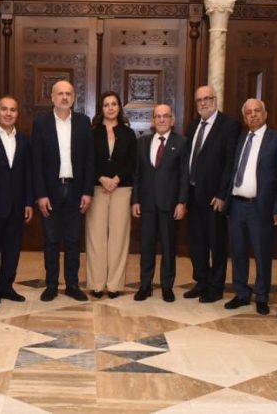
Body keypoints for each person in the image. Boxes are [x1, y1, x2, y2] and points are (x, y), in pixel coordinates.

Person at [32, 80, 95, 302]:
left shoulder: (83, 122)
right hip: (50, 191)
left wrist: (88, 191)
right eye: (60, 93)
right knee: (51, 240)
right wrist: (40, 194)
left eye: (68, 93)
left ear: (74, 97)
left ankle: (72, 285)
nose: (65, 97)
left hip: (76, 190)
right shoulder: (41, 123)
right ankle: (51, 285)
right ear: (52, 97)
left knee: (72, 240)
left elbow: (89, 160)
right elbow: (36, 162)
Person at [223, 99, 277, 315]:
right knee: (237, 252)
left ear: (265, 114)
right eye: (249, 112)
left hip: (261, 207)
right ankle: (241, 293)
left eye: (257, 111)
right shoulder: (241, 139)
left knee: (262, 253)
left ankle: (262, 296)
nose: (253, 115)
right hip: (237, 205)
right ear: (244, 117)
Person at [185, 85, 240, 303]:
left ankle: (216, 287)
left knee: (217, 244)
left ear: (215, 100)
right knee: (197, 243)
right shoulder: (193, 126)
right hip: (193, 194)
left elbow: (230, 163)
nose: (203, 103)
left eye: (207, 98)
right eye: (199, 100)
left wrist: (222, 194)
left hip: (214, 197)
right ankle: (202, 281)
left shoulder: (229, 125)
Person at [132, 104, 187, 302]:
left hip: (170, 205)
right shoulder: (142, 142)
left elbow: (184, 175)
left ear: (172, 120)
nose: (162, 120)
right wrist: (135, 200)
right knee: (146, 247)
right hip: (147, 204)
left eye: (166, 116)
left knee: (169, 247)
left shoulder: (182, 142)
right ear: (153, 121)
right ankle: (145, 286)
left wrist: (182, 202)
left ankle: (167, 286)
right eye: (158, 116)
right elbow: (137, 174)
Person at [85, 91, 137, 299]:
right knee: (95, 237)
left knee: (119, 238)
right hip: (97, 189)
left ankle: (114, 285)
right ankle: (97, 284)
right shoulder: (92, 132)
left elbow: (133, 162)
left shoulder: (128, 133)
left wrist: (116, 178)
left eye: (114, 104)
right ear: (101, 108)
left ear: (119, 107)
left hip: (121, 189)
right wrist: (101, 178)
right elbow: (87, 160)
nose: (110, 108)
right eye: (106, 104)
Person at [0, 96, 33, 303]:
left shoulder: (23, 140)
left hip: (17, 203)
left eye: (12, 110)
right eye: (4, 109)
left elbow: (28, 172)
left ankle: (7, 286)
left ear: (17, 114)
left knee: (12, 248)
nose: (8, 113)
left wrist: (28, 202)